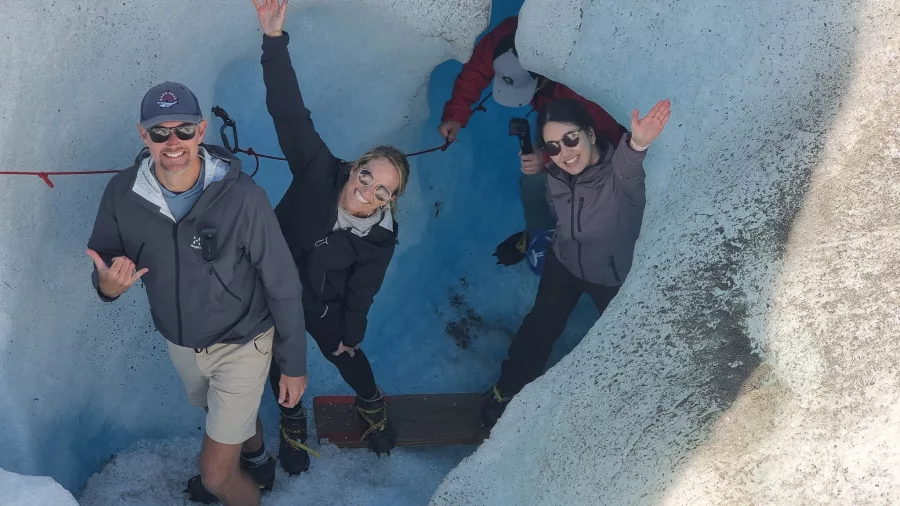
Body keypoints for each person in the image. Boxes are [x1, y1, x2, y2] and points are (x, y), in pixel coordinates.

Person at [85, 81, 308, 505]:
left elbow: (282, 282)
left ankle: (239, 486)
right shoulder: (123, 193)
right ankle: (258, 460)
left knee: (215, 476)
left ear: (201, 131)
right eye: (160, 132)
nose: (173, 143)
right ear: (142, 135)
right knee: (219, 413)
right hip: (182, 341)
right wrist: (107, 287)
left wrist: (293, 363)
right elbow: (106, 261)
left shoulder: (244, 199)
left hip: (243, 340)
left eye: (184, 130)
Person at [252, 0, 411, 472]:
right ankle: (292, 422)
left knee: (346, 353)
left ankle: (369, 399)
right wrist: (273, 40)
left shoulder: (379, 237)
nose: (368, 191)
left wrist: (349, 333)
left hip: (322, 305)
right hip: (270, 284)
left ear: (389, 200)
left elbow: (362, 293)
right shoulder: (319, 169)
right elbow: (289, 114)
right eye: (367, 175)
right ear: (356, 165)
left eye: (383, 190)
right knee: (277, 359)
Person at [481, 97, 672, 429]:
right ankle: (507, 391)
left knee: (627, 344)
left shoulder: (619, 179)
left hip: (611, 277)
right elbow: (551, 212)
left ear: (591, 134)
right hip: (564, 262)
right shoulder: (555, 171)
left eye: (571, 139)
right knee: (538, 329)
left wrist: (638, 142)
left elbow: (629, 165)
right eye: (554, 146)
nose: (565, 152)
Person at [437, 15, 628, 267]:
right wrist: (455, 115)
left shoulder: (577, 89)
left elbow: (605, 142)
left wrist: (549, 158)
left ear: (543, 78)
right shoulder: (504, 40)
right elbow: (475, 71)